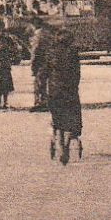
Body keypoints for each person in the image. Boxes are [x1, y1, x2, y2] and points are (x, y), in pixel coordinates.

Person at [46, 29, 82, 164]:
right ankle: (66, 146)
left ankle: (60, 144)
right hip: (70, 91)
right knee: (70, 120)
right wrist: (75, 87)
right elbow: (77, 73)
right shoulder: (73, 53)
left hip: (54, 91)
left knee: (58, 120)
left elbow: (45, 72)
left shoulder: (51, 52)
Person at [29, 18, 54, 112]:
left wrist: (33, 64)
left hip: (40, 62)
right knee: (47, 82)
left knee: (38, 83)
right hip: (49, 61)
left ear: (33, 25)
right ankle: (47, 102)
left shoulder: (37, 36)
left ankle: (40, 103)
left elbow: (35, 51)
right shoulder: (48, 34)